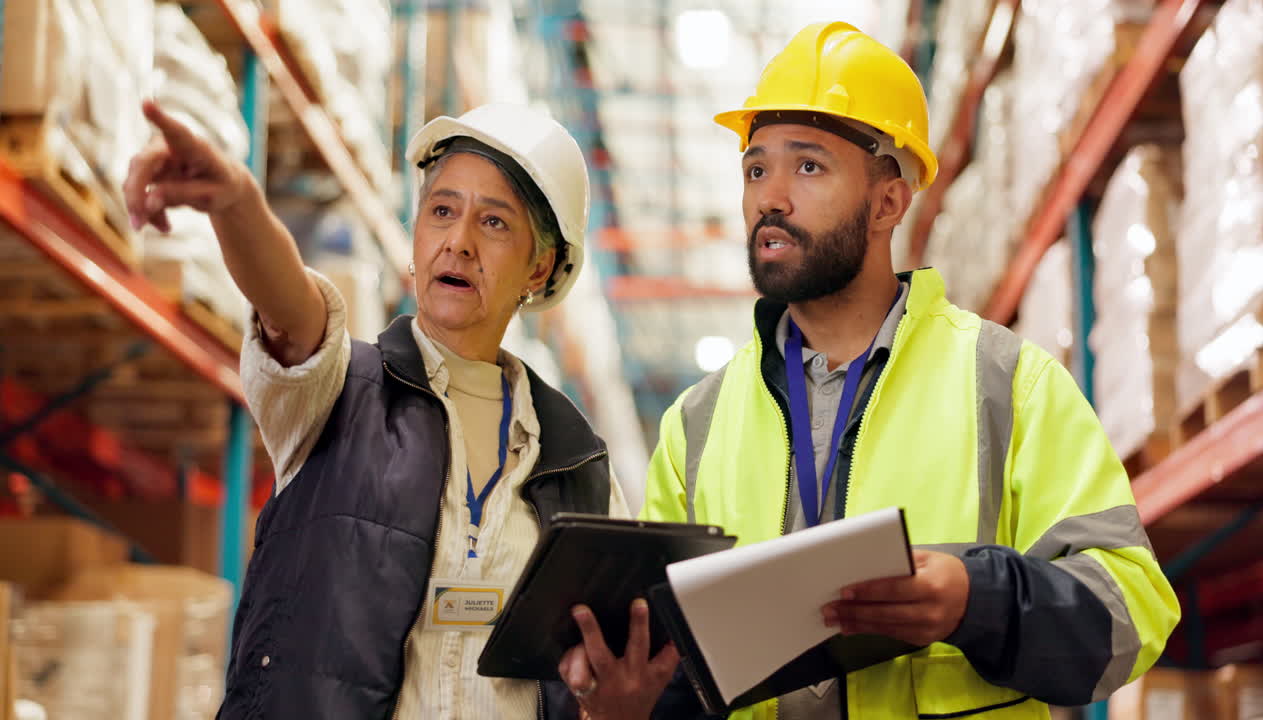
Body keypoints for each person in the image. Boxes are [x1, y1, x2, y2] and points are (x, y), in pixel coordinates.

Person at [637, 21, 1181, 719]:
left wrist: (974, 600)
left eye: (807, 166)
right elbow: (668, 656)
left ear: (888, 202)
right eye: (755, 168)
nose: (770, 196)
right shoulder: (696, 425)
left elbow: (1131, 612)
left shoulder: (1006, 383)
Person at [124, 101, 677, 719]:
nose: (459, 243)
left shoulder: (579, 467)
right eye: (442, 211)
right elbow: (289, 303)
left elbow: (598, 676)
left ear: (540, 266)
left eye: (494, 223)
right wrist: (236, 204)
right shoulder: (340, 391)